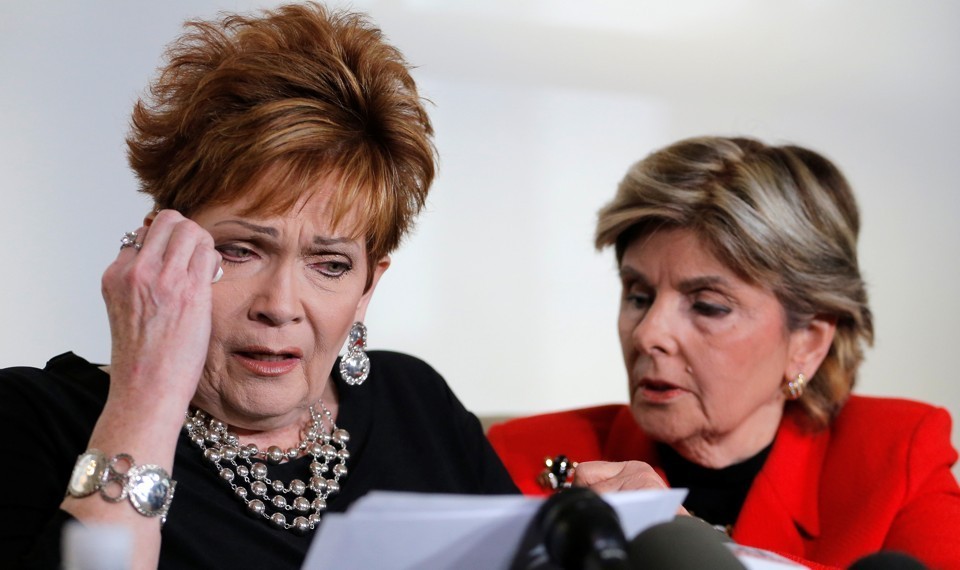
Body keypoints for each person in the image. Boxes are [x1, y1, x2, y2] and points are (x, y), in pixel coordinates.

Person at [1, 3, 517, 568]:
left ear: (368, 286)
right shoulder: (31, 418)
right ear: (160, 250)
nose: (280, 306)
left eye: (330, 264)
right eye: (240, 251)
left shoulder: (418, 405)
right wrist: (146, 400)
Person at [488, 136, 960, 569]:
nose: (648, 334)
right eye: (638, 295)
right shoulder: (522, 454)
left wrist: (692, 546)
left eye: (708, 306)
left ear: (807, 342)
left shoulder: (897, 459)